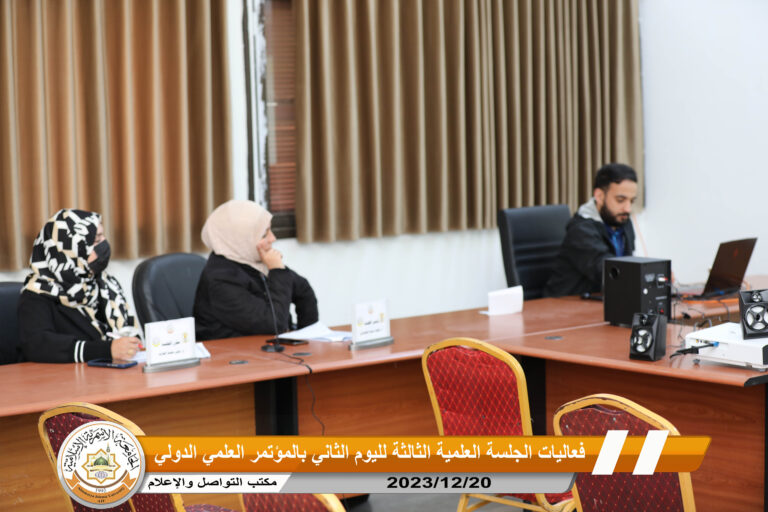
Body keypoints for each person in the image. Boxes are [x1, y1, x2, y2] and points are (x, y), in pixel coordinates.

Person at [18, 209, 142, 363]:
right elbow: (38, 345)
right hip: (65, 376)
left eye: (103, 236)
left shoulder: (105, 283)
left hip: (113, 372)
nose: (104, 244)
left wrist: (131, 345)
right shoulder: (37, 294)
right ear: (71, 250)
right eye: (96, 241)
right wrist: (106, 350)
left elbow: (130, 333)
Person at [193, 200, 318, 340]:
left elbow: (304, 291)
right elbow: (274, 324)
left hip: (266, 347)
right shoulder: (220, 280)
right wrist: (277, 271)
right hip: (231, 351)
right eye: (264, 234)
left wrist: (306, 337)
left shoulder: (253, 261)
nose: (273, 238)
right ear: (240, 239)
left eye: (270, 230)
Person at [544, 163, 638, 297]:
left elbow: (628, 265)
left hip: (603, 300)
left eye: (632, 201)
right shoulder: (580, 230)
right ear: (599, 196)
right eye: (620, 200)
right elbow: (608, 271)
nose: (627, 209)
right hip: (566, 304)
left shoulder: (622, 221)